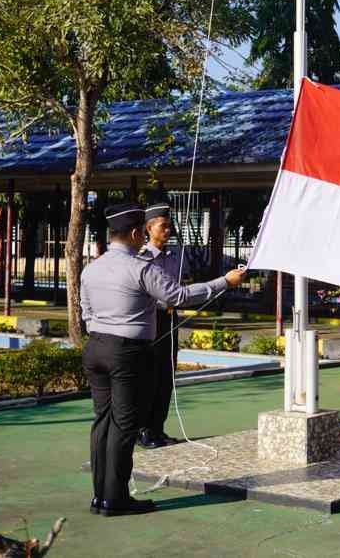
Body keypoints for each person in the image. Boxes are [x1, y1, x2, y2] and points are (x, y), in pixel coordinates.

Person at [81, 203, 247, 516]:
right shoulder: (141, 268)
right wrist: (225, 281)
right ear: (134, 233)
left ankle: (99, 496)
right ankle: (115, 499)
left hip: (95, 347)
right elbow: (179, 297)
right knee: (123, 425)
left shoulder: (92, 268)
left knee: (101, 422)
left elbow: (85, 311)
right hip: (125, 352)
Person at [137, 202, 184, 449]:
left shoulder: (173, 257)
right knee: (150, 377)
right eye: (163, 226)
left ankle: (158, 428)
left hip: (170, 319)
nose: (168, 230)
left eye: (169, 225)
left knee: (167, 376)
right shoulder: (141, 259)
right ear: (149, 228)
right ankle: (143, 430)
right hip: (150, 319)